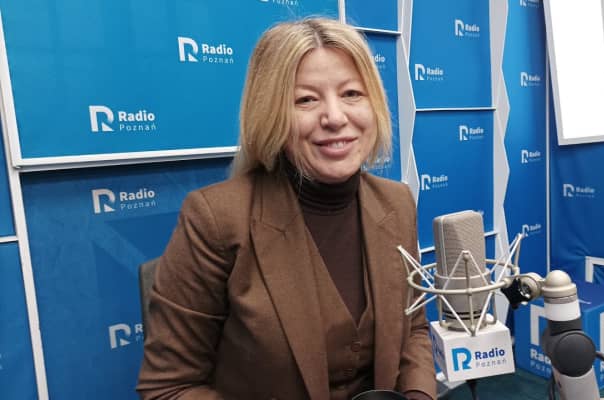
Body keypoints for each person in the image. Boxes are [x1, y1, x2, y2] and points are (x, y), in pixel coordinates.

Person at [137, 17, 436, 400]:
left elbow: (413, 329)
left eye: (351, 94)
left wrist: (419, 395)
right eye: (306, 100)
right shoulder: (215, 218)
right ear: (271, 112)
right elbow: (168, 387)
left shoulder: (397, 202)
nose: (335, 117)